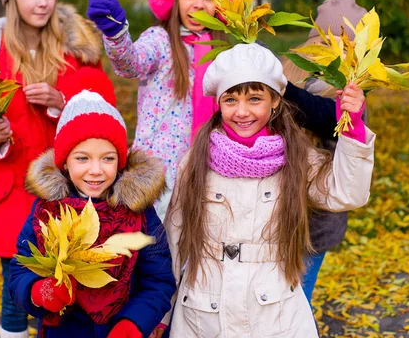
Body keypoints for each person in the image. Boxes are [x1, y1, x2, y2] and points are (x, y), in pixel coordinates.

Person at [86, 0, 340, 221]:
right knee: (157, 249)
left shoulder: (224, 52)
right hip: (159, 173)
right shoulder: (159, 40)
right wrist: (116, 32)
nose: (198, 3)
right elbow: (131, 63)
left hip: (209, 170)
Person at [161, 43, 375, 337]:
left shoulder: (297, 156)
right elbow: (174, 238)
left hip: (275, 314)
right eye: (231, 100)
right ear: (219, 103)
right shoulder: (197, 159)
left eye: (255, 99)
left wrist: (352, 129)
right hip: (203, 313)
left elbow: (347, 193)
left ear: (275, 101)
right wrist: (162, 314)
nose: (242, 111)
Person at [0, 0, 105, 338]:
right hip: (13, 191)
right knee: (15, 290)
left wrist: (62, 103)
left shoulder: (76, 49)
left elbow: (102, 106)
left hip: (66, 191)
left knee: (64, 289)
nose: (42, 2)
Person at [8, 70, 176, 338]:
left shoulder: (139, 212)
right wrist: (39, 292)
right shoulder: (48, 211)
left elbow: (158, 280)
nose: (96, 170)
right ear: (65, 162)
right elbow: (20, 269)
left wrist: (132, 325)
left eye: (107, 159)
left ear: (120, 160)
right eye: (82, 159)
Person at [281, 0, 369, 305]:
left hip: (315, 223)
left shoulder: (350, 96)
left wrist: (284, 91)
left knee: (297, 303)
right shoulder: (290, 74)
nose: (338, 55)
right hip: (278, 213)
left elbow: (324, 117)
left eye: (348, 48)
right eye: (329, 44)